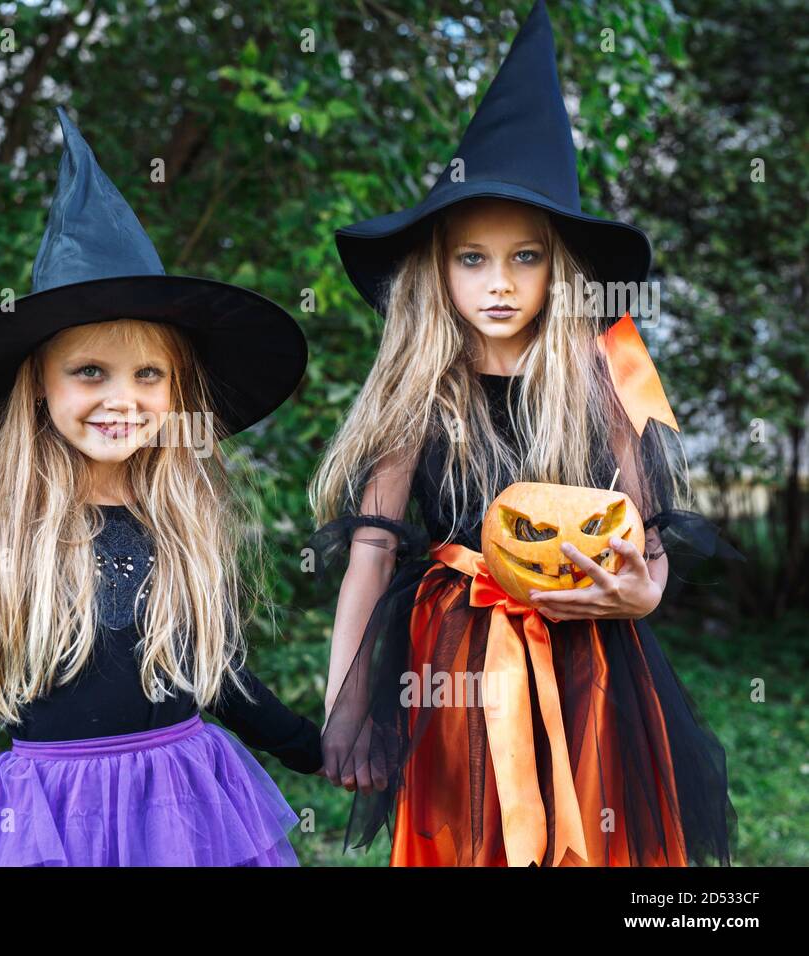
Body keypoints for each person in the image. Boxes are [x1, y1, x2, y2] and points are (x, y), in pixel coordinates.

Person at [307, 0, 740, 866]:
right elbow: (371, 555)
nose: (498, 283)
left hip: (593, 661)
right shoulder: (415, 391)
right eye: (472, 258)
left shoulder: (602, 377)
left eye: (524, 256)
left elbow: (646, 536)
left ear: (560, 265)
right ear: (439, 268)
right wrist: (345, 708)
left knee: (590, 823)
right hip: (455, 661)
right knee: (475, 831)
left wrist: (643, 594)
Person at [0, 105, 321, 867]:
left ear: (175, 390)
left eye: (147, 374)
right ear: (38, 384)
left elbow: (214, 671)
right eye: (89, 371)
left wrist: (311, 748)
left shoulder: (183, 517)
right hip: (48, 820)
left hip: (183, 809)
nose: (120, 399)